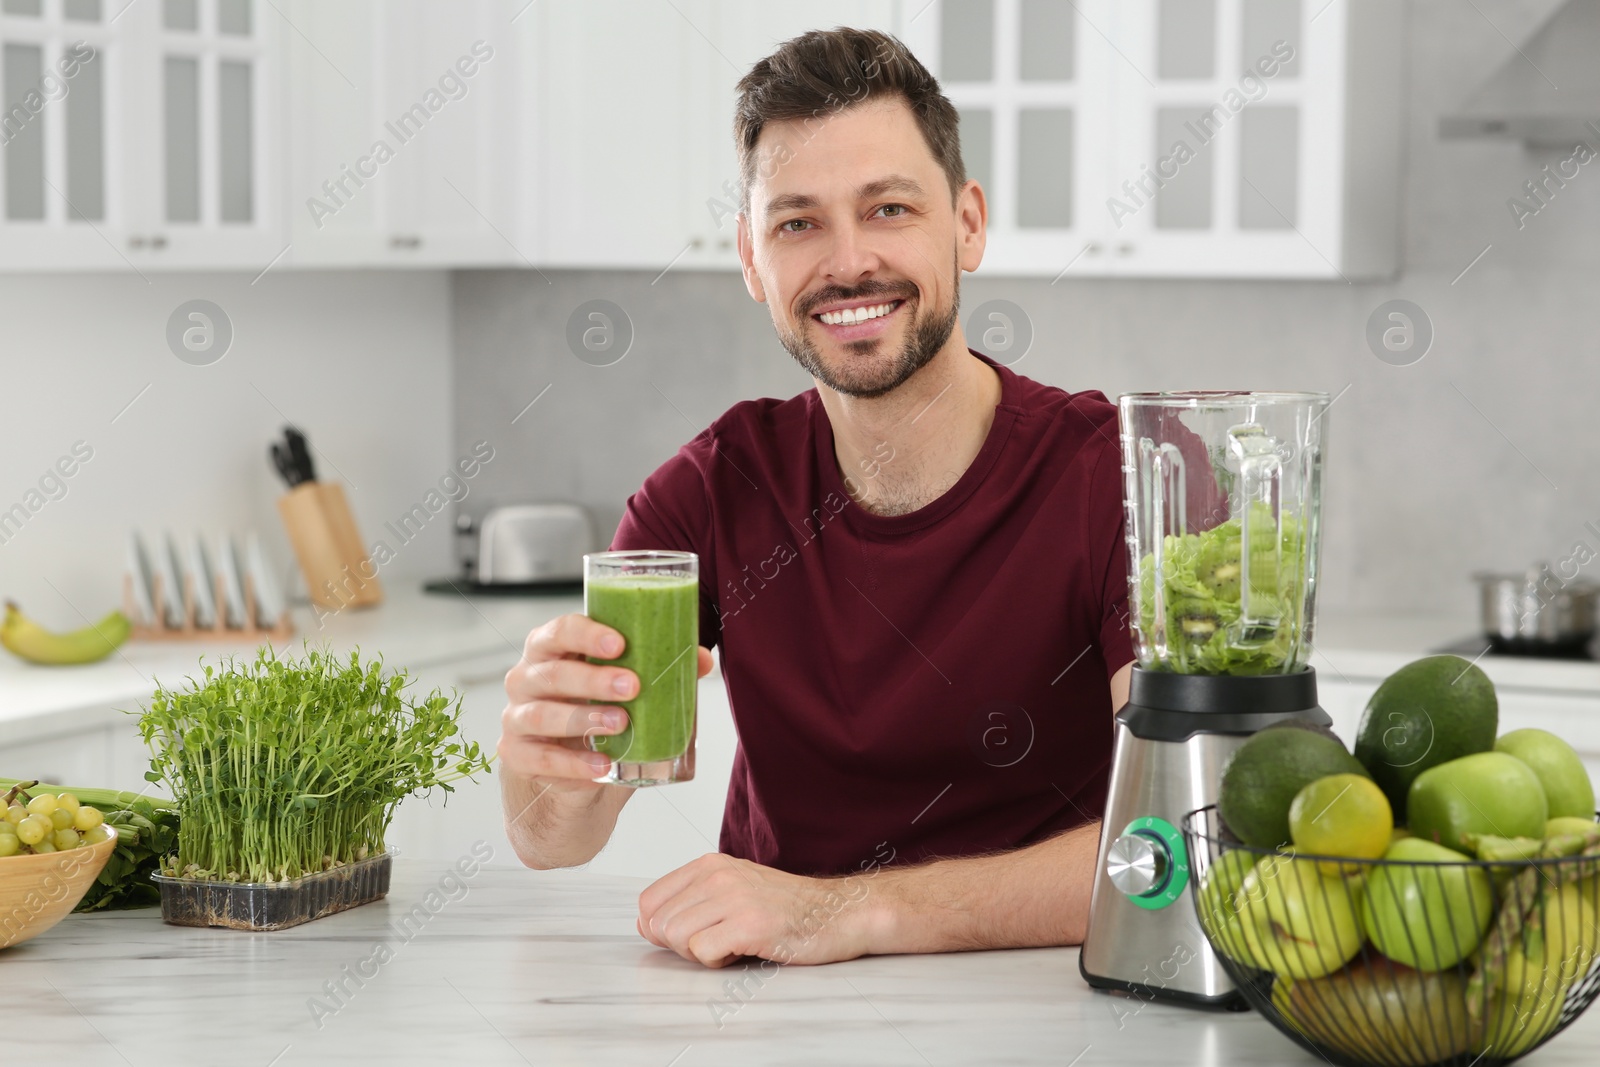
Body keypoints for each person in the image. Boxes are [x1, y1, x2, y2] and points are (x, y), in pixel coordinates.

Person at [499, 27, 1134, 969]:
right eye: (798, 222)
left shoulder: (1115, 479)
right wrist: (543, 761)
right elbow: (556, 839)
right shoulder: (711, 492)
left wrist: (847, 913)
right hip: (767, 1013)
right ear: (753, 257)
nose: (847, 263)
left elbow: (1184, 843)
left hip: (1047, 1002)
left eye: (887, 208)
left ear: (967, 224)